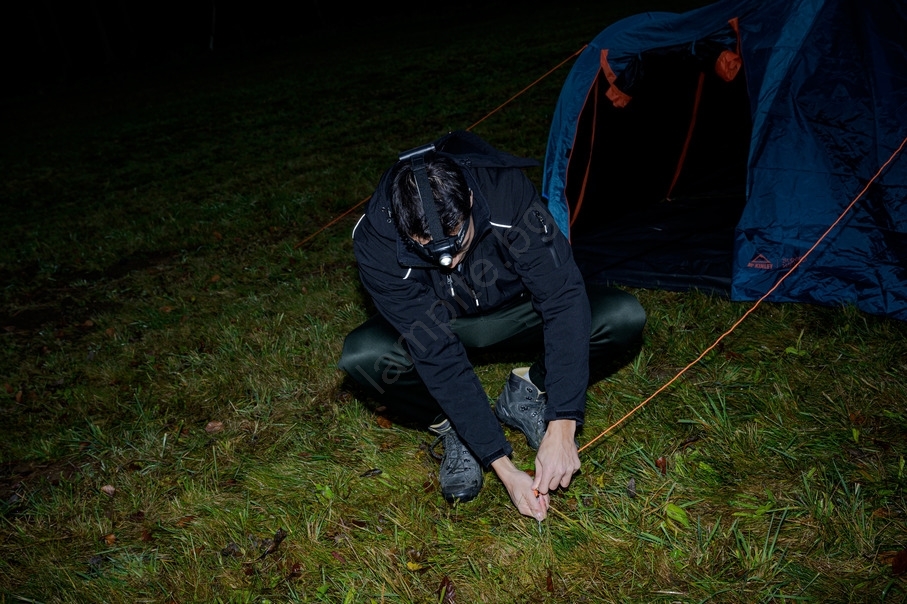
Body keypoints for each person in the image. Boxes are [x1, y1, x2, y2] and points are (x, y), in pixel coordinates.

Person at [338, 130, 646, 520]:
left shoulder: (505, 192)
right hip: (443, 322)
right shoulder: (378, 241)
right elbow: (437, 353)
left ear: (468, 198)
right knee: (366, 357)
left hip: (519, 309)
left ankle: (530, 389)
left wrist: (563, 422)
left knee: (619, 316)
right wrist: (504, 467)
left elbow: (561, 298)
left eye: (456, 240)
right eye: (428, 249)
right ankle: (454, 427)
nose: (448, 262)